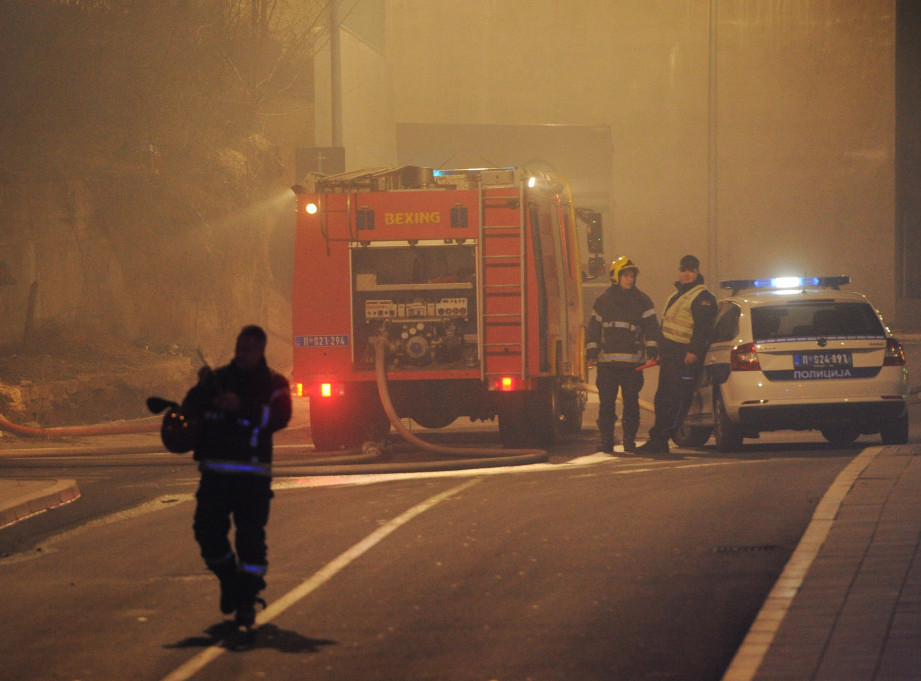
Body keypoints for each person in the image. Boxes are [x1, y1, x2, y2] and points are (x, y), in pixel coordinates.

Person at [180, 324, 292, 627]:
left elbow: (280, 417)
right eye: (241, 348)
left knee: (251, 539)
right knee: (207, 532)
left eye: (251, 350)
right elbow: (188, 411)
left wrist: (242, 406)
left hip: (252, 476)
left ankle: (246, 597)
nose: (244, 355)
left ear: (261, 352)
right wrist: (203, 389)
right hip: (215, 474)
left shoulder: (275, 384)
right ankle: (229, 580)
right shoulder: (217, 379)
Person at [638, 255, 717, 455]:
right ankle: (658, 440)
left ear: (698, 272)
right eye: (684, 270)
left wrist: (694, 351)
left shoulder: (703, 297)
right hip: (671, 356)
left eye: (691, 270)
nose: (687, 274)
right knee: (662, 398)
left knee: (677, 400)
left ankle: (663, 438)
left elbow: (703, 329)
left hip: (685, 358)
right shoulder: (677, 295)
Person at [585, 256, 660, 454]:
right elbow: (594, 328)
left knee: (631, 405)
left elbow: (651, 327)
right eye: (625, 275)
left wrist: (653, 349)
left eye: (631, 276)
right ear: (616, 277)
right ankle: (607, 442)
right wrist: (591, 350)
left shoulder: (642, 301)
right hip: (607, 364)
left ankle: (629, 442)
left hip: (631, 366)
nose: (629, 279)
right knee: (606, 405)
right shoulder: (603, 301)